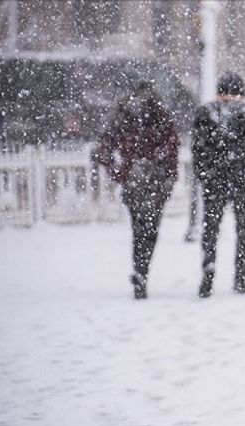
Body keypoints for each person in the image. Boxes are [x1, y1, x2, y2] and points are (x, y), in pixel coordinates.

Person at [91, 80, 178, 300]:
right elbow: (172, 148)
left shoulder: (122, 114)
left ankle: (139, 271)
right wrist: (169, 175)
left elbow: (103, 149)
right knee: (151, 229)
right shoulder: (161, 114)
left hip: (133, 177)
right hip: (156, 177)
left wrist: (119, 172)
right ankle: (143, 270)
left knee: (138, 228)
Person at [192, 72, 245, 298]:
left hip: (214, 181)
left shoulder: (204, 113)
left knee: (211, 229)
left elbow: (198, 149)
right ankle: (240, 278)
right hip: (242, 180)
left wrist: (204, 175)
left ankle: (208, 273)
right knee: (243, 230)